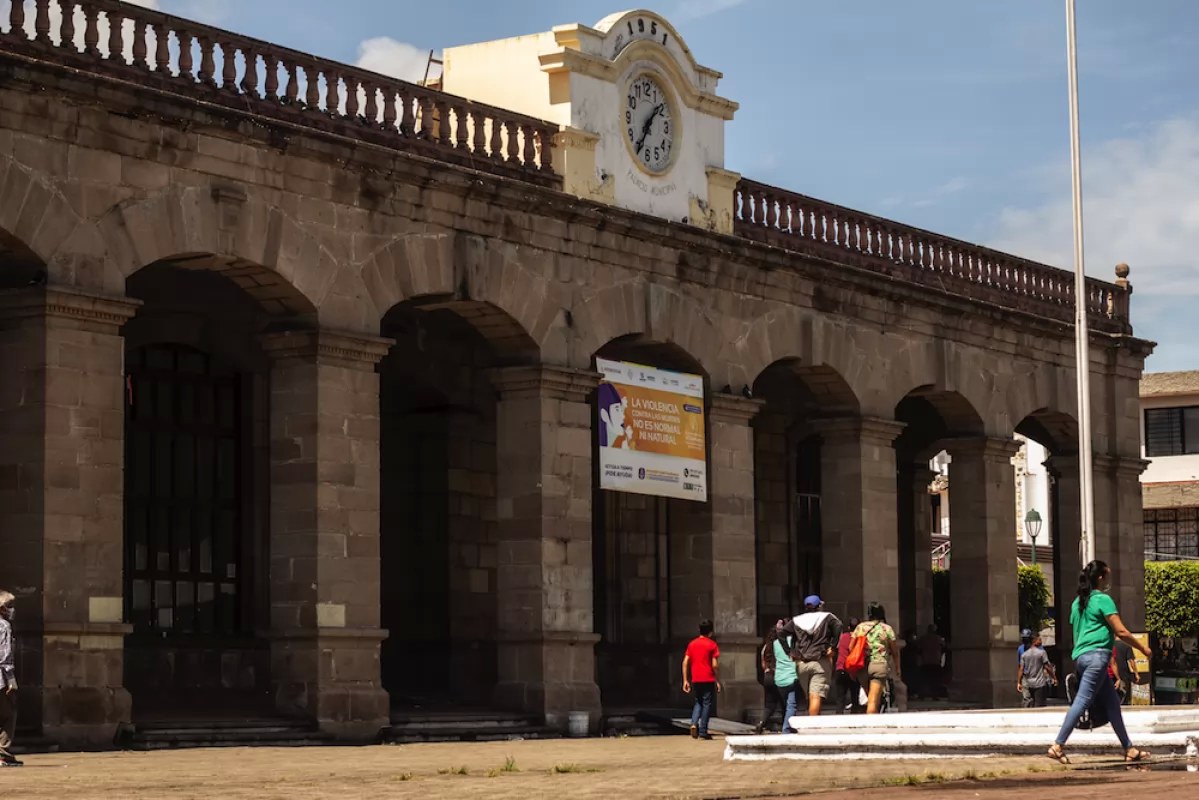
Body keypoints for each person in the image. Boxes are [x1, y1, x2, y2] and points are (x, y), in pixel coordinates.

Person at [1047, 561, 1153, 764]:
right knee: (1083, 700)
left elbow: (1077, 633)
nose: (1109, 581)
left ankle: (1129, 748)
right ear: (1101, 578)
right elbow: (1120, 631)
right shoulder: (1104, 600)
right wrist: (1143, 649)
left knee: (1113, 703)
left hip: (1082, 657)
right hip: (1097, 658)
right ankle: (1058, 745)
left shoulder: (1077, 603)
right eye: (1108, 576)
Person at [781, 595, 842, 718]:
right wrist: (833, 647)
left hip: (802, 664)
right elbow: (839, 626)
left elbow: (781, 632)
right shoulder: (827, 617)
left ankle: (814, 723)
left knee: (810, 696)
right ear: (819, 606)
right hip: (820, 661)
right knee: (816, 695)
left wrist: (790, 651)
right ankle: (812, 725)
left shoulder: (797, 620)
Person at [851, 602, 901, 714]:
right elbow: (894, 651)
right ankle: (871, 725)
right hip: (879, 664)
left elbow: (851, 647)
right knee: (873, 700)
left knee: (871, 697)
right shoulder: (886, 628)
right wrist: (897, 667)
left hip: (862, 665)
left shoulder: (860, 627)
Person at [682, 619, 721, 740]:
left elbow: (685, 662)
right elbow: (714, 665)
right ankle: (703, 730)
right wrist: (717, 679)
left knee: (698, 702)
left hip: (696, 678)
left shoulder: (692, 644)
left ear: (699, 630)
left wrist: (685, 680)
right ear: (711, 632)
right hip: (708, 677)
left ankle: (694, 723)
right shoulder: (712, 645)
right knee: (707, 704)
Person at [768, 621, 800, 732]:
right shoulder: (794, 642)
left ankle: (789, 727)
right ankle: (786, 729)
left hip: (779, 679)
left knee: (786, 706)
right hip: (791, 677)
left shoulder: (775, 643)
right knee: (792, 705)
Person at [0, 590, 20, 768]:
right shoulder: (4, 626)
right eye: (9, 606)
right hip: (0, 679)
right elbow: (5, 656)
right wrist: (11, 680)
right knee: (8, 714)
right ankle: (3, 753)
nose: (12, 610)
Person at [756, 622, 786, 733]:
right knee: (785, 703)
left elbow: (763, 664)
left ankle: (761, 723)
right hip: (780, 675)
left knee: (769, 705)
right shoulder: (783, 645)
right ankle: (786, 726)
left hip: (768, 676)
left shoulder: (766, 647)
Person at [1017, 633, 1057, 708]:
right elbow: (1047, 667)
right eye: (1039, 639)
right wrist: (1054, 677)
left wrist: (1019, 682)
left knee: (1029, 703)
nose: (1041, 641)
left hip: (1029, 683)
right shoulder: (1042, 653)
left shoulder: (1024, 655)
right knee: (1039, 705)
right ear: (1034, 641)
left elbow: (1021, 669)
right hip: (1040, 683)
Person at [835, 616, 862, 713]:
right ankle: (853, 723)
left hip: (840, 669)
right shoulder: (860, 639)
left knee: (840, 700)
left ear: (849, 627)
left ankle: (838, 721)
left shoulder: (842, 637)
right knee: (855, 699)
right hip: (854, 671)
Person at [915, 624, 945, 699]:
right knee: (935, 680)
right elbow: (944, 647)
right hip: (935, 661)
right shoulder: (938, 639)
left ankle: (922, 695)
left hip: (926, 661)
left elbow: (918, 648)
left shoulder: (923, 638)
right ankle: (934, 695)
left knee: (924, 679)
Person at [1112, 640, 1137, 705]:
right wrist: (1136, 673)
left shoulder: (1110, 644)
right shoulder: (1127, 645)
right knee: (1124, 693)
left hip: (1112, 673)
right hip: (1124, 673)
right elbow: (1131, 661)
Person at [1017, 628, 1034, 707]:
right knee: (1026, 698)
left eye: (1026, 639)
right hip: (1025, 676)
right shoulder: (1020, 649)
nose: (1025, 640)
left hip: (1035, 675)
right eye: (1024, 639)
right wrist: (1019, 681)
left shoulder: (1036, 649)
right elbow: (1020, 666)